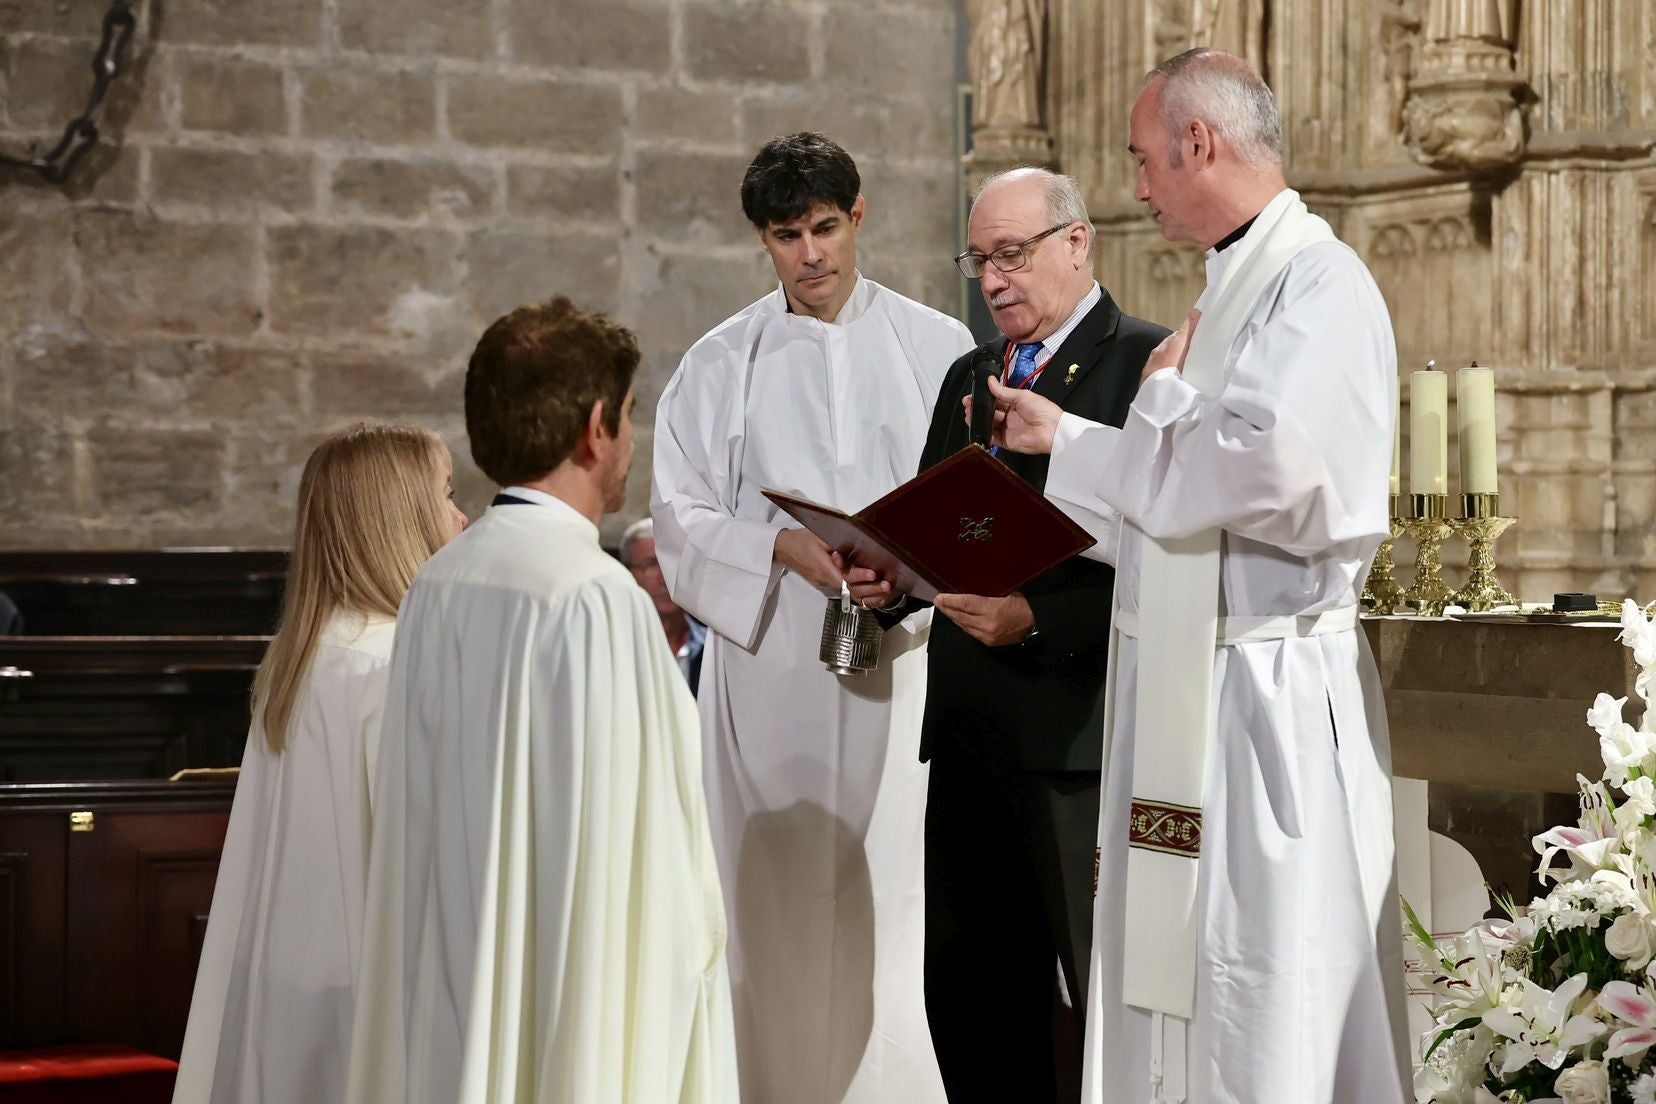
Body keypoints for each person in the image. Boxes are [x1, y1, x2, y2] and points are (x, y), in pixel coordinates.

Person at [985, 48, 1409, 1104]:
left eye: (1142, 158)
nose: (1136, 186)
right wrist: (1069, 448)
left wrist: (1155, 409)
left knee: (1259, 992)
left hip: (1260, 709)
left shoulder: (1319, 282)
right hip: (1191, 693)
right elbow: (1176, 518)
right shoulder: (1230, 289)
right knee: (1181, 994)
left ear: (1198, 143)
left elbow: (1284, 472)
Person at [345, 298, 737, 1104]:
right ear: (597, 428)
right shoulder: (593, 595)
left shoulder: (440, 579)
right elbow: (647, 854)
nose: (634, 441)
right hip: (569, 997)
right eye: (631, 416)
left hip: (463, 974)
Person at [651, 132, 973, 1103]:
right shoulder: (719, 365)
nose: (812, 255)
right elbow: (681, 518)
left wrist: (906, 570)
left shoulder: (937, 347)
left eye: (826, 228)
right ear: (763, 241)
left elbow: (972, 500)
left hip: (908, 670)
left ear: (858, 215)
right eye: (787, 236)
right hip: (775, 673)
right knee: (783, 915)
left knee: (900, 902)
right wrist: (784, 548)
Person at [849, 167, 1167, 1100]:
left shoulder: (1144, 364)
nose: (992, 280)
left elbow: (1172, 558)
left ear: (1078, 241)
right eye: (979, 259)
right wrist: (887, 580)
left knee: (1092, 1001)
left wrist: (1039, 617)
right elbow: (937, 525)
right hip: (969, 736)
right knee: (969, 999)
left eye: (1012, 255)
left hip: (1076, 739)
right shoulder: (967, 373)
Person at [174, 421, 467, 1104]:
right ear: (395, 520)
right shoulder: (392, 661)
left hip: (289, 984)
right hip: (362, 997)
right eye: (447, 494)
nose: (461, 517)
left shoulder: (308, 655)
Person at [619, 517, 706, 694]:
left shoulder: (711, 647)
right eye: (651, 565)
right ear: (628, 573)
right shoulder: (615, 648)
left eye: (671, 562)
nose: (664, 577)